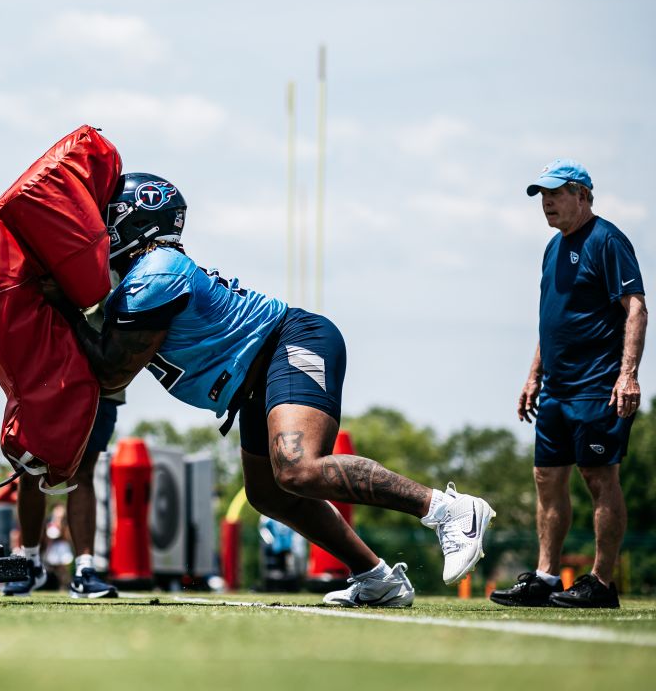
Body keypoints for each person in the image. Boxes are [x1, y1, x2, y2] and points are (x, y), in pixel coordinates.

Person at [43, 172, 496, 607]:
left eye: (108, 219)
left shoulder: (155, 272)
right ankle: (375, 578)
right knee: (268, 492)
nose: (100, 231)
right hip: (254, 378)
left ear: (134, 219)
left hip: (288, 341)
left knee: (298, 469)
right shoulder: (141, 277)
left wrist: (59, 303)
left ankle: (446, 509)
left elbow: (111, 372)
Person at [493, 159, 646, 609]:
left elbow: (636, 308)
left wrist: (628, 374)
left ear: (582, 194)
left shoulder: (608, 240)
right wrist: (533, 375)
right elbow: (550, 321)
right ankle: (544, 577)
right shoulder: (552, 248)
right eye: (543, 195)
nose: (547, 203)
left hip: (597, 386)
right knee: (546, 478)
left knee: (599, 478)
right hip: (556, 390)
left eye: (555, 193)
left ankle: (600, 582)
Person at [2, 356, 122, 599]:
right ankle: (31, 562)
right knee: (31, 469)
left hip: (100, 373)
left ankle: (85, 570)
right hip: (46, 374)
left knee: (83, 473)